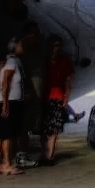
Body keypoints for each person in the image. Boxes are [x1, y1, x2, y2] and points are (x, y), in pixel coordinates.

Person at [0, 40, 25, 176]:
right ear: (15, 48)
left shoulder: (9, 61)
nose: (23, 48)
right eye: (21, 45)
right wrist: (6, 104)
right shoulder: (12, 62)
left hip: (8, 101)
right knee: (8, 136)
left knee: (2, 135)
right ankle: (7, 164)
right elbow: (5, 82)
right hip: (10, 101)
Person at [41, 36, 74, 165]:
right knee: (44, 128)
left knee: (54, 128)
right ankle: (45, 153)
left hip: (57, 97)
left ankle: (50, 156)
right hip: (45, 97)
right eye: (55, 45)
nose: (57, 48)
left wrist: (66, 98)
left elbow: (68, 81)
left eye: (59, 46)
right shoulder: (45, 61)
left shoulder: (63, 62)